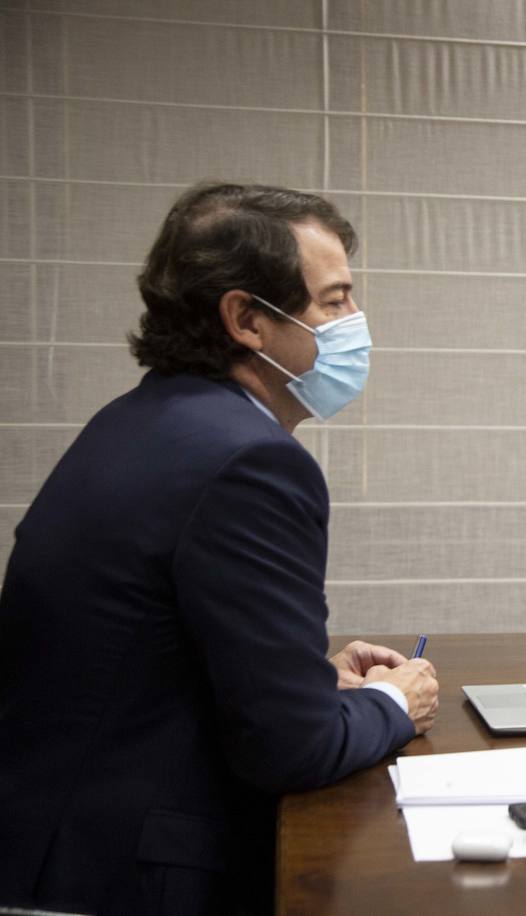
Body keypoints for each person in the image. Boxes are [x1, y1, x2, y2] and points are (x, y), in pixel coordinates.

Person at [0, 183, 440, 914]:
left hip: (45, 839)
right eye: (334, 303)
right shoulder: (248, 462)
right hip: (110, 878)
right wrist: (396, 703)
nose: (356, 324)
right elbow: (290, 749)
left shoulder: (139, 419)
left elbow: (144, 646)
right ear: (247, 320)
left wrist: (299, 678)